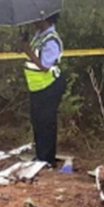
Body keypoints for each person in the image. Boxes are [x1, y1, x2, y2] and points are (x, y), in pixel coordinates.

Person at [23, 13, 65, 165]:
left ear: (45, 19)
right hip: (37, 86)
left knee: (47, 122)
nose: (34, 20)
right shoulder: (39, 36)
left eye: (37, 18)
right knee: (38, 121)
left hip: (50, 85)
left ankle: (47, 159)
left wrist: (28, 51)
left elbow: (45, 66)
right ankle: (40, 155)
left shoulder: (51, 39)